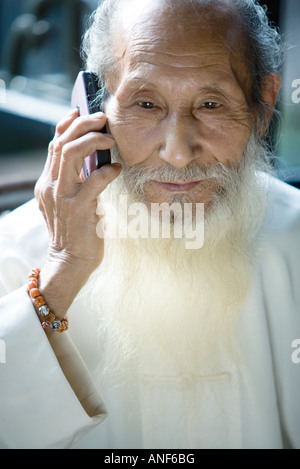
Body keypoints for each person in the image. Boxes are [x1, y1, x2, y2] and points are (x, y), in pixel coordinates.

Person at [0, 0, 299, 450]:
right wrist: (64, 269)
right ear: (94, 110)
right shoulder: (21, 248)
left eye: (211, 103)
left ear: (263, 105)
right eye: (145, 103)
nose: (178, 152)